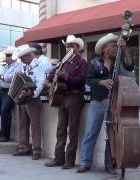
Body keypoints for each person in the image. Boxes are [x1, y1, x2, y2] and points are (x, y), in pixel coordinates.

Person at [76, 33, 133, 174]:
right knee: (91, 132)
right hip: (98, 102)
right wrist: (100, 81)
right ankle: (85, 162)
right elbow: (88, 80)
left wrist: (124, 49)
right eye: (112, 46)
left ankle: (110, 164)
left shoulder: (118, 61)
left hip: (114, 103)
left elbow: (130, 67)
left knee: (112, 135)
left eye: (116, 45)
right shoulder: (94, 63)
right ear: (104, 49)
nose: (115, 48)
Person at [44, 35, 87, 169]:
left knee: (72, 130)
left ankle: (70, 161)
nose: (69, 48)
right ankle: (58, 158)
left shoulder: (82, 62)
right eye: (68, 46)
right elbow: (53, 72)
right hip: (62, 97)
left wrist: (66, 76)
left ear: (78, 48)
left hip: (75, 96)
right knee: (60, 129)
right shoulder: (64, 62)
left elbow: (81, 80)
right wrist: (49, 80)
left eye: (72, 46)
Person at [12, 46, 45, 160]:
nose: (20, 60)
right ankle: (23, 147)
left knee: (35, 125)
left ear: (28, 56)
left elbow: (41, 82)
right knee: (23, 124)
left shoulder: (39, 66)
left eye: (22, 58)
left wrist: (33, 93)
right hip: (23, 100)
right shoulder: (24, 67)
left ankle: (36, 150)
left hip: (33, 99)